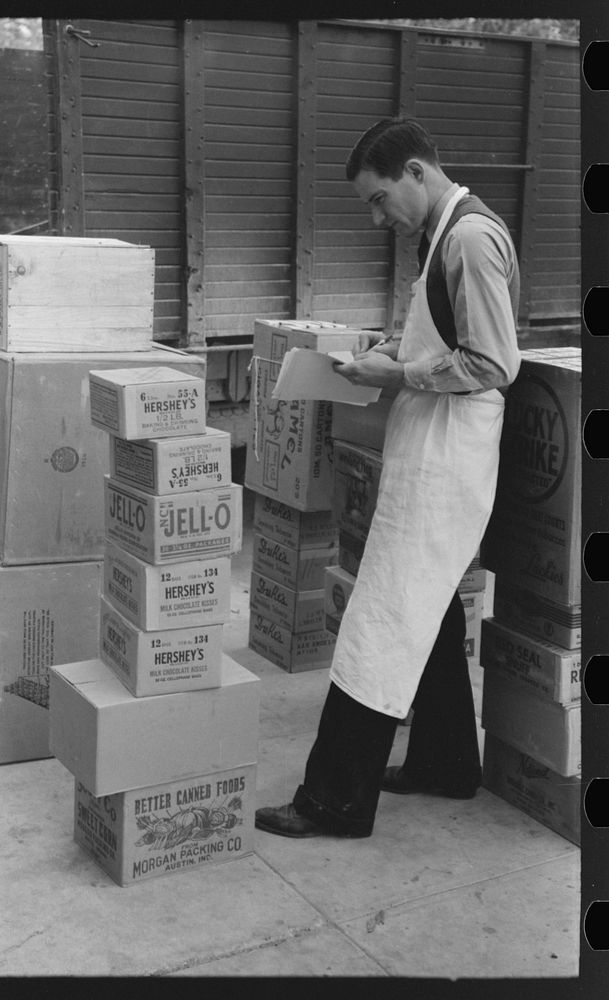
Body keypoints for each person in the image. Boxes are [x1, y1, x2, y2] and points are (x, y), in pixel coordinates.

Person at [255, 116, 521, 839]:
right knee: (426, 610)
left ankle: (333, 801)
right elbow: (448, 339)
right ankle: (444, 765)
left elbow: (494, 363)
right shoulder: (440, 233)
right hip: (433, 442)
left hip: (448, 452)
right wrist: (390, 348)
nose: (378, 216)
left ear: (414, 172)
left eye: (378, 199)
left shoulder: (466, 237)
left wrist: (395, 371)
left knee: (379, 619)